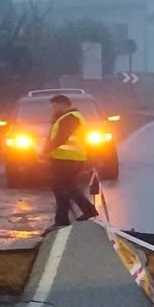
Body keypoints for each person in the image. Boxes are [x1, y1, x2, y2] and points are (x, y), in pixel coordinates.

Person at [40, 94, 99, 226]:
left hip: (68, 158)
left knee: (64, 187)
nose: (54, 109)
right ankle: (62, 220)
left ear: (64, 104)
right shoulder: (64, 118)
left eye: (55, 106)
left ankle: (87, 210)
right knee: (60, 188)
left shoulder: (70, 118)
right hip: (64, 158)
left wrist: (45, 151)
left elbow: (61, 137)